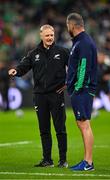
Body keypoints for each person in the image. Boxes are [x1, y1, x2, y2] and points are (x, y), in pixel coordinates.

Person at [8, 24, 69, 168]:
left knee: (60, 128)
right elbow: (23, 67)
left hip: (56, 95)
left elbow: (73, 68)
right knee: (44, 129)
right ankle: (47, 160)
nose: (49, 38)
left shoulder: (63, 51)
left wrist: (68, 83)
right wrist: (15, 70)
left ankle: (63, 160)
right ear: (41, 36)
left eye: (51, 35)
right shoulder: (33, 53)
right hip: (40, 96)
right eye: (47, 35)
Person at [66, 13, 98, 171]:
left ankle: (88, 162)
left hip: (83, 89)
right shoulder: (81, 41)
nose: (67, 29)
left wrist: (76, 88)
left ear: (72, 25)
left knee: (84, 124)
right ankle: (87, 161)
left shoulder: (83, 42)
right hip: (83, 89)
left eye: (67, 26)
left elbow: (83, 66)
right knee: (83, 124)